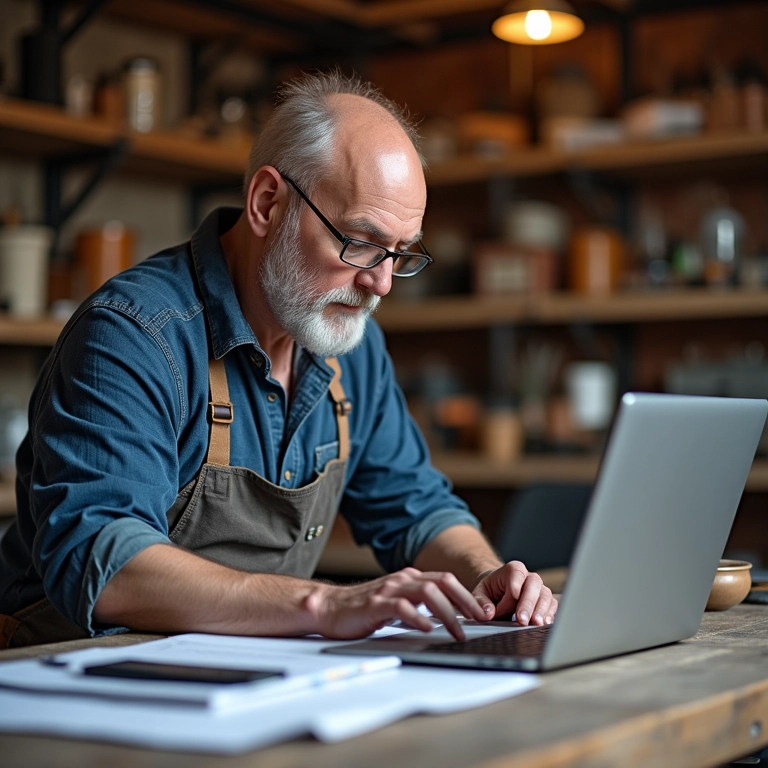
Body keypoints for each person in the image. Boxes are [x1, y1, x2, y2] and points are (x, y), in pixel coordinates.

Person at [0, 71, 556, 648]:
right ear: (268, 203)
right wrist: (324, 602)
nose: (381, 283)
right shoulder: (134, 334)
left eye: (399, 253)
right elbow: (102, 559)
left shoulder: (350, 347)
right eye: (360, 242)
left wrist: (486, 575)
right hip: (74, 670)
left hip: (242, 672)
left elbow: (416, 508)